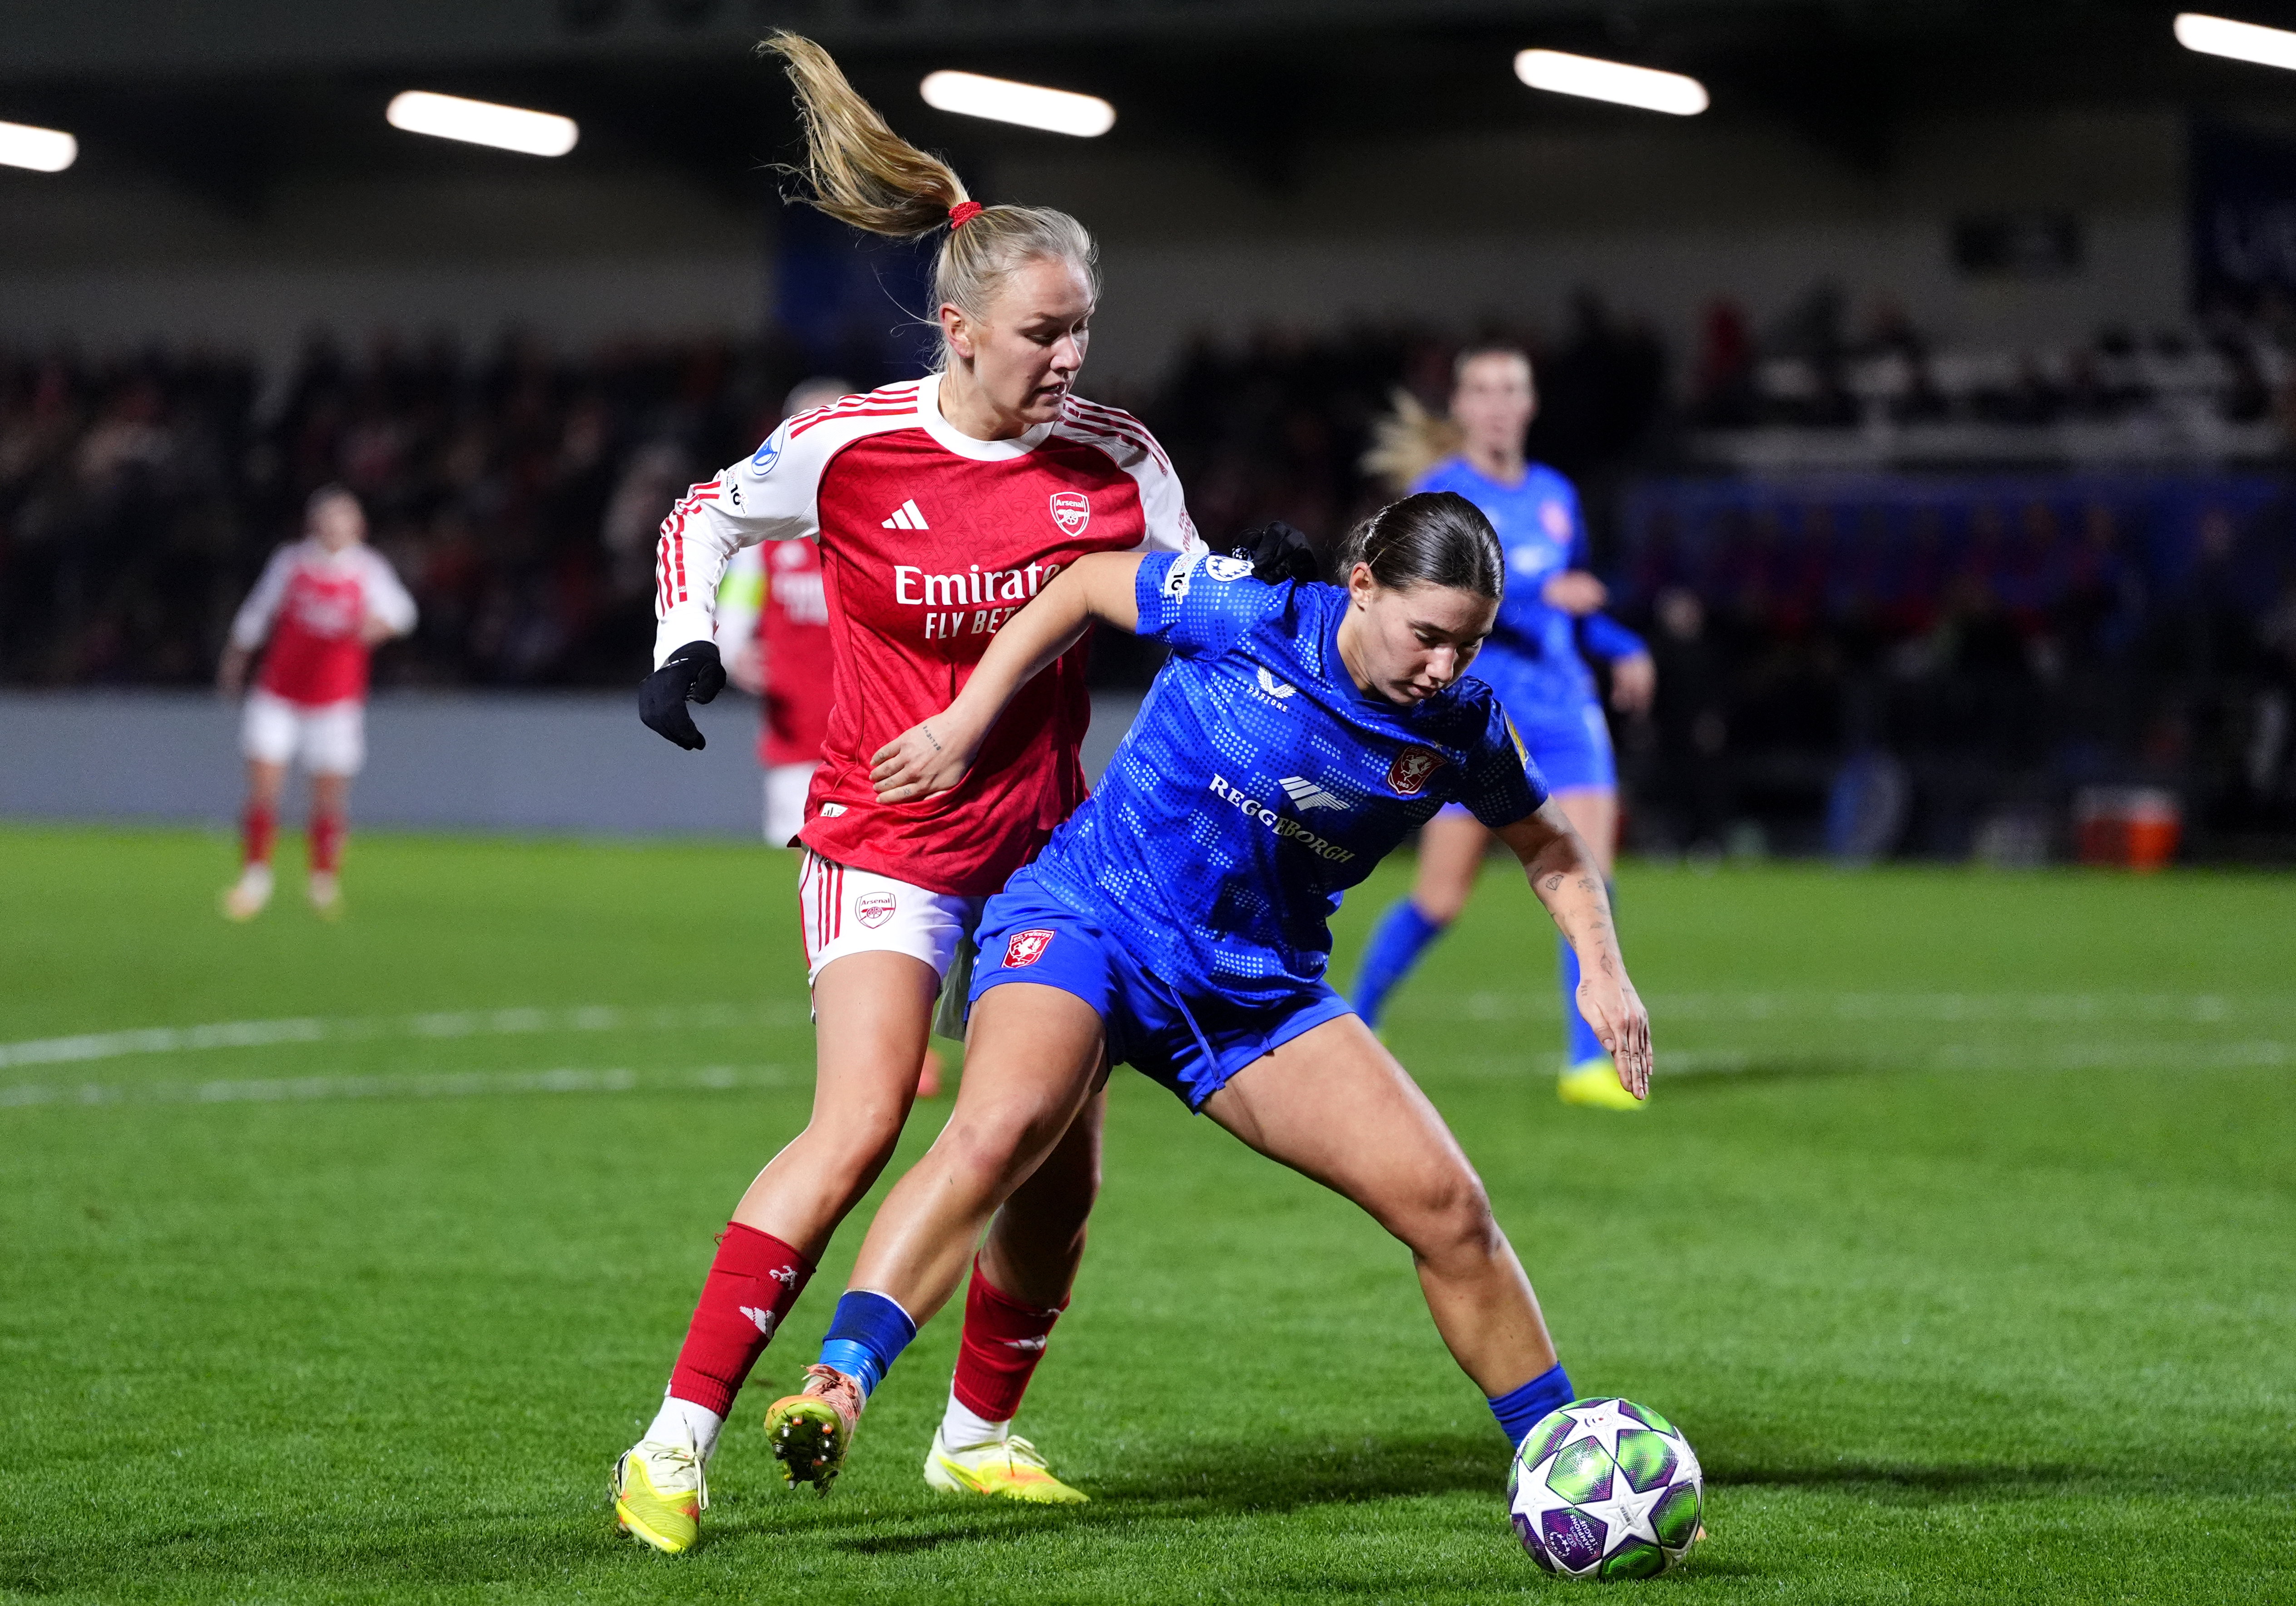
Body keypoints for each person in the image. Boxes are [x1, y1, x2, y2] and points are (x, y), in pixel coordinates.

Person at [754, 492, 1652, 1495]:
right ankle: (839, 1384)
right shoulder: (1250, 612)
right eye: (1428, 635)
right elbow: (1088, 582)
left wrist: (1602, 971)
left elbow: (1550, 845)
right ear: (1362, 587)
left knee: (1449, 1209)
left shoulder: (1460, 725)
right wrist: (970, 715)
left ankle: (1579, 1468)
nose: (1443, 666)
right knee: (999, 1131)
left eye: (1469, 644)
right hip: (1091, 919)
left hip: (1250, 992)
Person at [612, 32, 1199, 1553]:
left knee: (1053, 1163)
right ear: (958, 326)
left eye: (1081, 330)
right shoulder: (852, 446)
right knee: (864, 1118)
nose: (1068, 358)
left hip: (1047, 864)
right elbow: (702, 513)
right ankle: (669, 1445)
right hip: (883, 842)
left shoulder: (1117, 458)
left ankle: (976, 1434)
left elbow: (1192, 611)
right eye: (1041, 333)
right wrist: (687, 646)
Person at [1350, 349, 1657, 1110]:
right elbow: (1432, 602)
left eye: (1510, 390)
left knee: (1588, 878)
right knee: (1441, 899)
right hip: (1479, 717)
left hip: (1566, 710)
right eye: (1482, 390)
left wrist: (1623, 647)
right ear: (1461, 404)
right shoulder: (1441, 494)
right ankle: (1358, 1018)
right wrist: (1533, 594)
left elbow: (1574, 606)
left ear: (1529, 404)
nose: (1496, 404)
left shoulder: (1556, 493)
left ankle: (1589, 1063)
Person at [718, 377, 945, 1097]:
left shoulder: (897, 527)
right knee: (829, 900)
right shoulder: (767, 546)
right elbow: (729, 622)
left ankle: (912, 1044)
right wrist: (731, 654)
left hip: (887, 743)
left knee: (911, 889)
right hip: (798, 745)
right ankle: (864, 1039)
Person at [216, 485, 416, 921]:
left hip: (336, 701)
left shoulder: (368, 570)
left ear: (358, 526)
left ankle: (323, 881)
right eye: (327, 518)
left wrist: (378, 626)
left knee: (328, 796)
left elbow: (403, 612)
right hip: (279, 695)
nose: (334, 526)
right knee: (265, 788)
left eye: (343, 518)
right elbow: (256, 613)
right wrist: (235, 661)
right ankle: (256, 878)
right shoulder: (290, 563)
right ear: (314, 524)